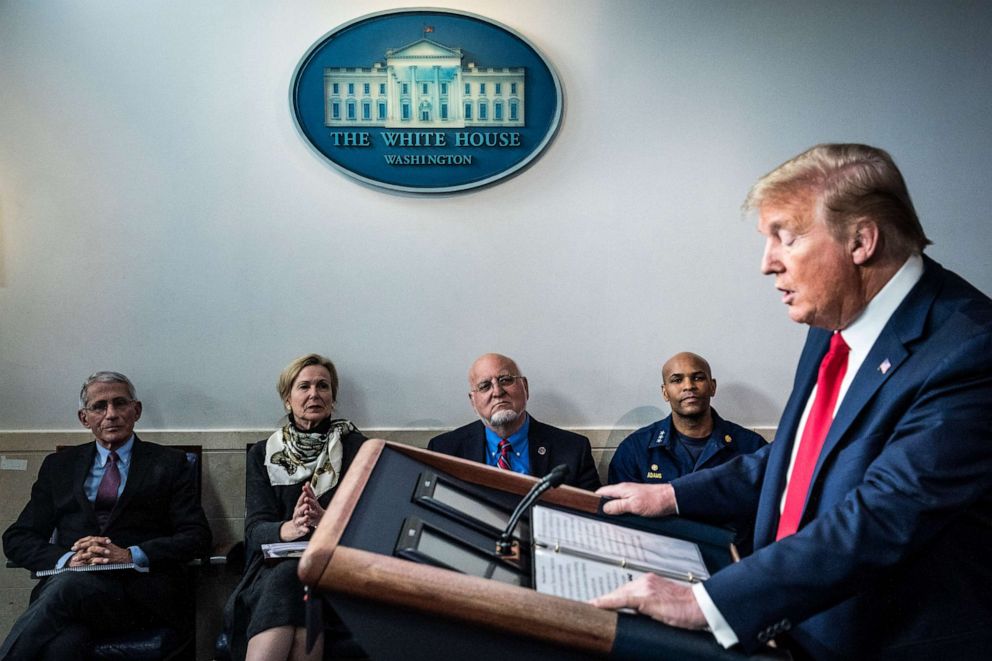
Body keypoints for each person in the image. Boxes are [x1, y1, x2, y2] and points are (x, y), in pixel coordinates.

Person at [592, 144, 992, 659]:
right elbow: (795, 461)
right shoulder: (832, 321)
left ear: (861, 241)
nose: (767, 264)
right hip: (790, 626)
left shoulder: (970, 350)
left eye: (786, 236)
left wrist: (712, 603)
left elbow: (881, 517)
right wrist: (672, 496)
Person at [1, 371, 212, 661]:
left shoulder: (169, 464)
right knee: (61, 647)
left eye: (120, 403)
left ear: (135, 411)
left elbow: (197, 537)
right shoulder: (59, 467)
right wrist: (67, 560)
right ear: (84, 418)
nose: (111, 414)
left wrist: (129, 554)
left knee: (67, 584)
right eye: (99, 406)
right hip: (71, 599)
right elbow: (17, 537)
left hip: (136, 597)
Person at [223, 353, 368, 661]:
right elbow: (255, 531)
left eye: (323, 386)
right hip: (272, 570)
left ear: (333, 396)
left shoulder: (358, 450)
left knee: (295, 576)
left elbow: (372, 525)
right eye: (304, 387)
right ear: (287, 399)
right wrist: (289, 529)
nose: (314, 394)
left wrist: (327, 521)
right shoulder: (264, 453)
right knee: (292, 577)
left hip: (336, 568)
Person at [429, 353, 601, 490]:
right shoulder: (444, 451)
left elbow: (593, 519)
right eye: (484, 386)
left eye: (505, 380)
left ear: (525, 387)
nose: (497, 391)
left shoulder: (573, 450)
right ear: (473, 401)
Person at [608, 351, 766, 485]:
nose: (688, 386)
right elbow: (617, 515)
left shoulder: (752, 447)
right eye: (677, 380)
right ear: (665, 392)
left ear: (712, 386)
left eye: (698, 378)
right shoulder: (635, 450)